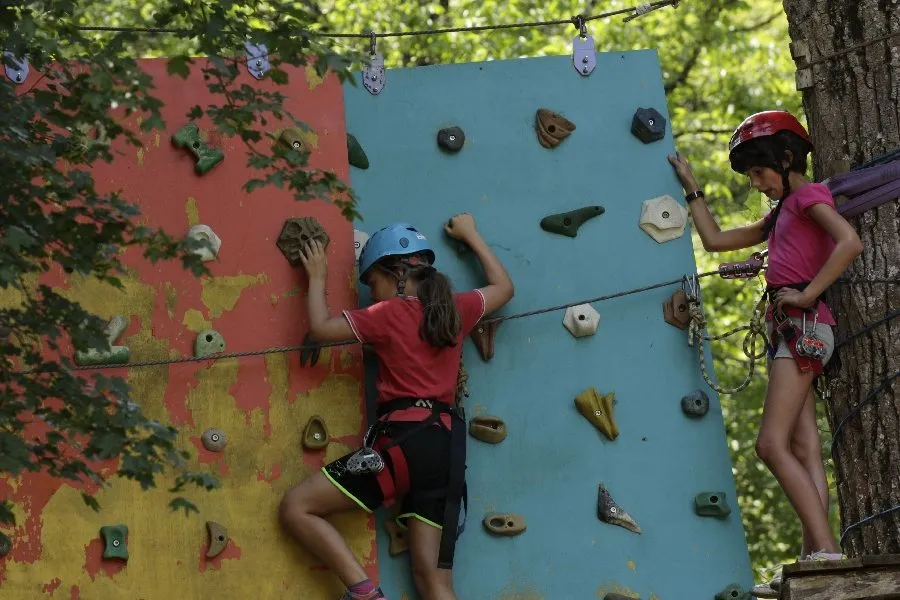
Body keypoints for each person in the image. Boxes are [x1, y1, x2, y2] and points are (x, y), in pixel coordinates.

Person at [667, 111, 863, 598]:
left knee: (769, 445)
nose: (757, 183)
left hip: (802, 324)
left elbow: (849, 242)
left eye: (759, 172)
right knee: (802, 447)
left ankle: (824, 551)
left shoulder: (806, 197)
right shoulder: (780, 214)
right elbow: (714, 241)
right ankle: (816, 553)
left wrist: (804, 293)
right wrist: (692, 187)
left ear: (786, 159)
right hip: (792, 329)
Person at [279, 214, 515, 600]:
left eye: (373, 282)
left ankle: (364, 593)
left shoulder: (386, 314)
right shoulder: (457, 309)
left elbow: (321, 327)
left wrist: (317, 274)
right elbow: (504, 287)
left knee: (297, 508)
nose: (372, 294)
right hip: (445, 451)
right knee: (434, 584)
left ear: (398, 274)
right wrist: (472, 233)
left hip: (403, 442)